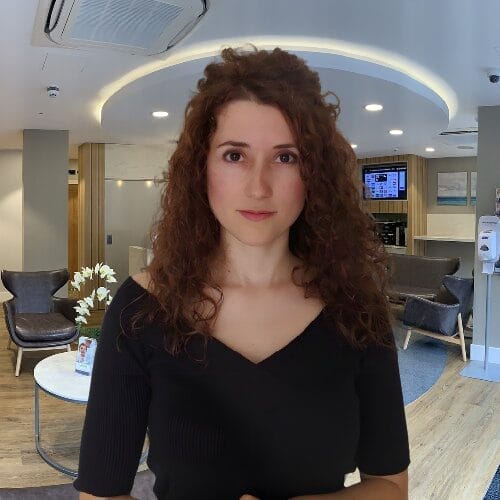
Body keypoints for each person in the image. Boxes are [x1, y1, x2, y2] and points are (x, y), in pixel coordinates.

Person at [74, 46, 410, 500]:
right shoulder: (141, 310)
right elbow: (99, 494)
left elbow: (389, 485)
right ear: (201, 168)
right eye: (235, 155)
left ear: (315, 174)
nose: (258, 186)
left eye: (286, 157)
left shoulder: (356, 308)